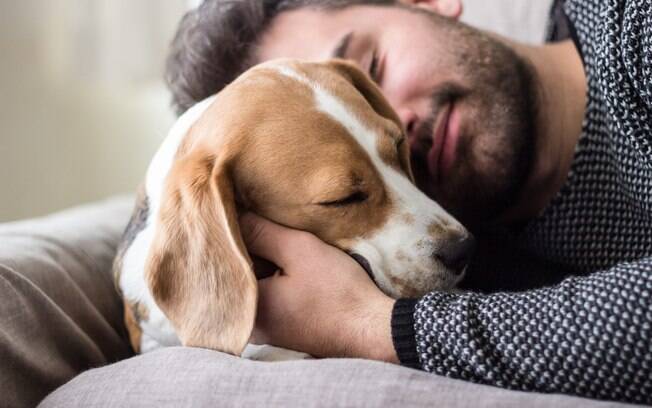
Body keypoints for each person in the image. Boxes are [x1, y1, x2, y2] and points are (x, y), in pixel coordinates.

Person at [165, 0, 652, 404]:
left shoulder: (631, 26)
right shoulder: (455, 262)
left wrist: (376, 329)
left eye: (368, 70)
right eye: (342, 192)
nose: (389, 117)